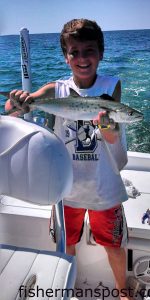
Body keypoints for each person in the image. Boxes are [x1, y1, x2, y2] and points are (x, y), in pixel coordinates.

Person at [5, 19, 130, 299]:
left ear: (101, 53)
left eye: (90, 51)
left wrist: (109, 130)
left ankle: (123, 292)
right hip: (65, 187)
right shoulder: (55, 90)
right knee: (66, 243)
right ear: (66, 57)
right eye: (75, 52)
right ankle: (64, 287)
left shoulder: (112, 87)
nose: (82, 58)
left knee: (113, 245)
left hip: (104, 186)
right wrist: (16, 101)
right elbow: (13, 109)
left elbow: (114, 134)